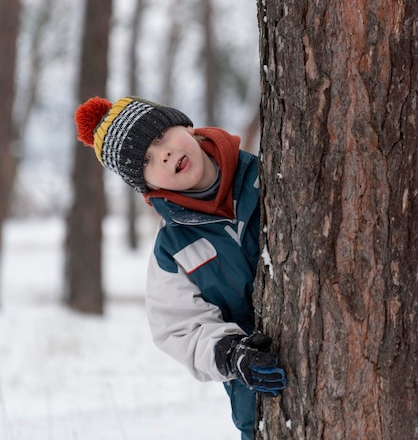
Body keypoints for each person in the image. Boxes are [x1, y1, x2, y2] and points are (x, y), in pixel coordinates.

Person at [74, 95, 286, 439]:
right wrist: (232, 355)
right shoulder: (173, 248)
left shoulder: (268, 173)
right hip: (261, 393)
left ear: (184, 125)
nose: (165, 155)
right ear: (148, 187)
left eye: (159, 138)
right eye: (147, 160)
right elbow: (178, 327)